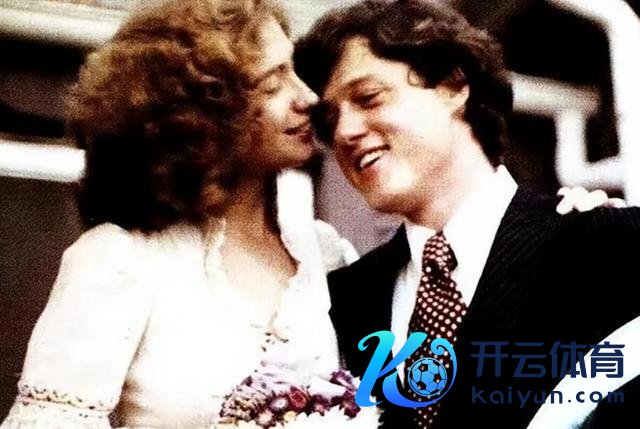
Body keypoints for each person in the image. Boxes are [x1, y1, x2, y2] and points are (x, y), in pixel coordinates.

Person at [0, 0, 357, 427]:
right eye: (272, 83)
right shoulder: (120, 258)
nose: (308, 97)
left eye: (293, 71)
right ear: (204, 112)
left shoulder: (328, 257)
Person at [294, 0, 640, 428]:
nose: (345, 131)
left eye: (369, 98)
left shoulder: (610, 246)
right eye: (329, 120)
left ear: (453, 86)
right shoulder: (346, 301)